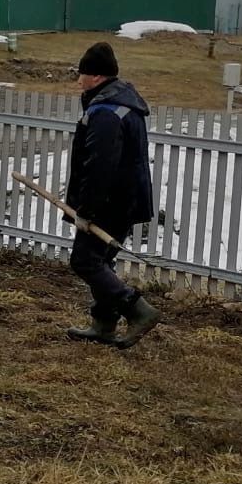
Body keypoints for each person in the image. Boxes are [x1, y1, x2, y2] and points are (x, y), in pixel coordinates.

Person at [64, 41, 162, 349]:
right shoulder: (123, 103)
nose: (78, 79)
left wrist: (86, 210)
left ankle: (137, 309)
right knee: (100, 261)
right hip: (125, 198)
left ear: (95, 77)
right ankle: (103, 324)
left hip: (110, 201)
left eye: (82, 74)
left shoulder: (106, 112)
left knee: (85, 261)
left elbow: (99, 167)